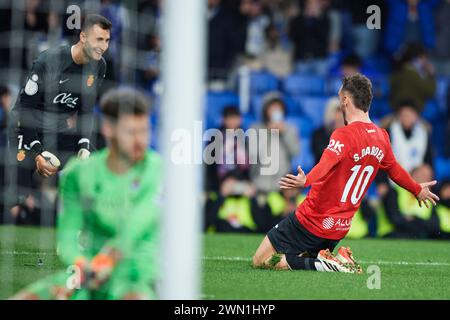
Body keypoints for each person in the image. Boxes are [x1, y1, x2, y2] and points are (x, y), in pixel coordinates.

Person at [252, 73, 440, 273]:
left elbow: (325, 164)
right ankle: (330, 258)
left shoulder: (344, 134)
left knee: (261, 259)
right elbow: (394, 170)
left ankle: (323, 263)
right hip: (339, 228)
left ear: (345, 100)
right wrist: (416, 188)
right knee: (298, 259)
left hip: (313, 219)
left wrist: (306, 180)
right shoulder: (381, 136)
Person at [11, 87, 162, 300]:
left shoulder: (157, 170)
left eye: (144, 131)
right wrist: (83, 263)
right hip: (86, 271)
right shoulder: (79, 173)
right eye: (131, 131)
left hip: (135, 275)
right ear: (108, 129)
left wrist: (106, 262)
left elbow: (134, 228)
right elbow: (67, 236)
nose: (140, 141)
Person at [6, 14, 111, 212]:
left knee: (98, 171)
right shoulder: (49, 61)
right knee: (16, 196)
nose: (103, 46)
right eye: (99, 39)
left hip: (58, 132)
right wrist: (37, 151)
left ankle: (84, 235)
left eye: (107, 40)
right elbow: (22, 111)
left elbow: (87, 111)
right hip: (25, 130)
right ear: (83, 37)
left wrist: (84, 146)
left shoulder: (99, 66)